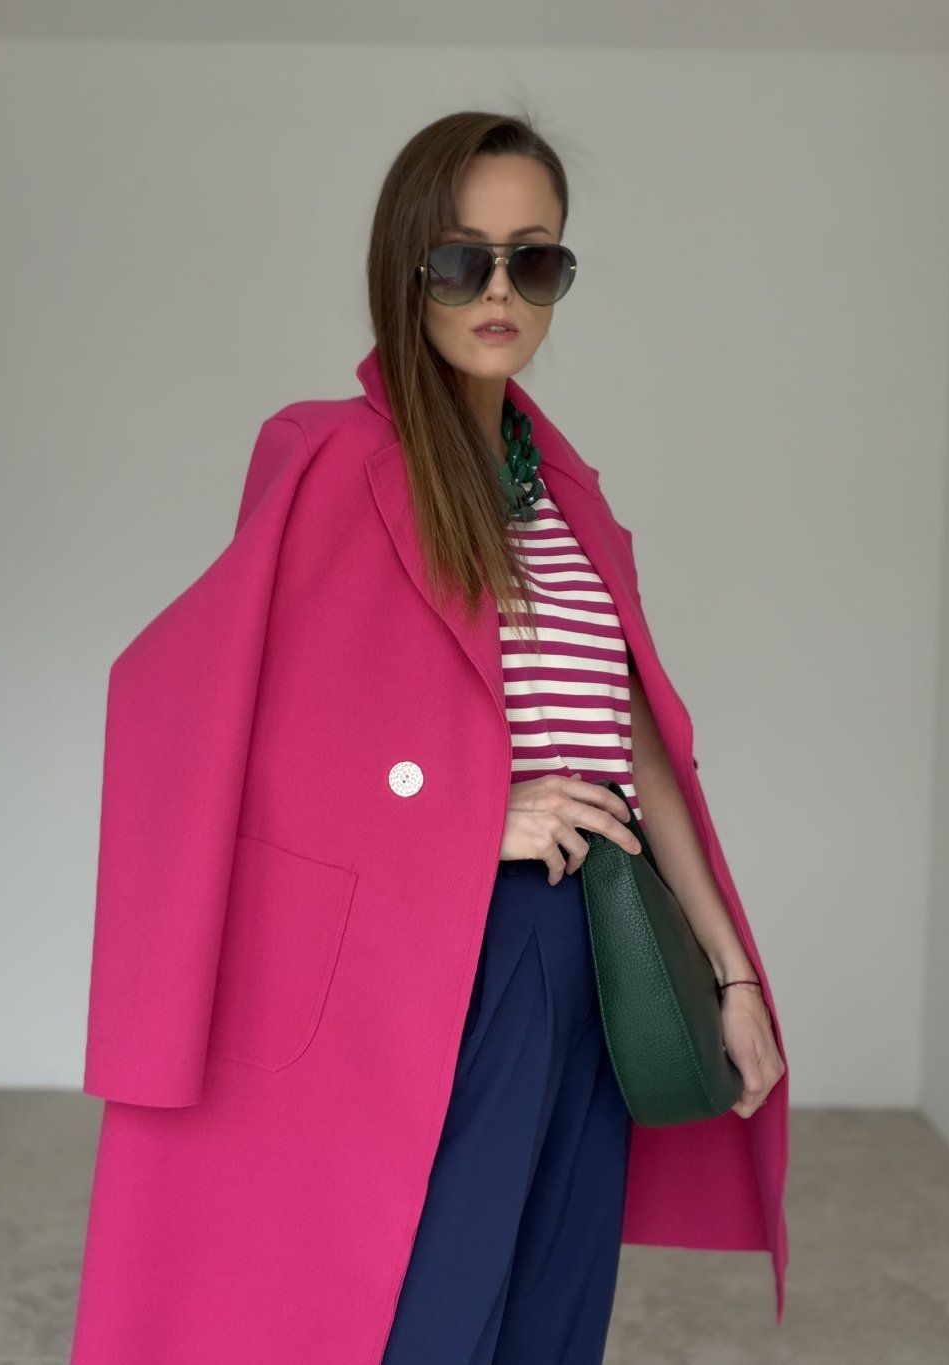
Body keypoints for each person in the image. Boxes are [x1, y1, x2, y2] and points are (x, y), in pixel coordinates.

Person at [71, 110, 788, 1365]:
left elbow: (632, 743)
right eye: (463, 260)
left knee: (552, 1308)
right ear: (406, 266)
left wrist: (731, 974)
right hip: (452, 942)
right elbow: (218, 718)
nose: (498, 292)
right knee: (432, 1313)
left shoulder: (564, 494)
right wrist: (474, 819)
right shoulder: (329, 457)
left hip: (603, 941)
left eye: (533, 260)